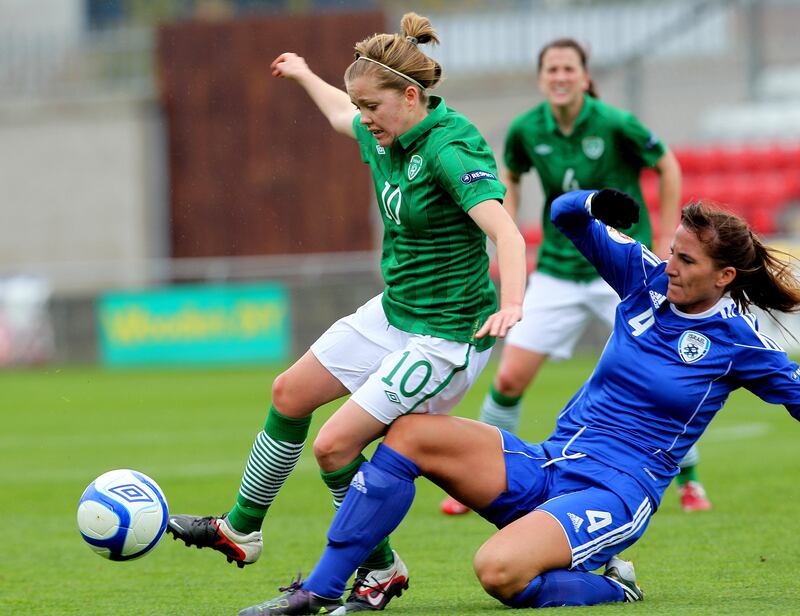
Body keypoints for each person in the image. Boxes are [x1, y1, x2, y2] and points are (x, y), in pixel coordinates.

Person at [237, 188, 800, 614]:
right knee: (406, 431)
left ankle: (611, 582)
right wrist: (593, 200)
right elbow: (565, 216)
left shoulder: (741, 344)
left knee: (498, 572)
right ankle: (319, 591)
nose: (671, 266)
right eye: (673, 252)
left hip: (615, 492)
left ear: (725, 276)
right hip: (548, 462)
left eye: (687, 262)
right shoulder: (644, 279)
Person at [166, 11, 526, 613]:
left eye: (372, 107)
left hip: (444, 338)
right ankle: (242, 528)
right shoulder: (382, 126)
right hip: (394, 314)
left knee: (334, 448)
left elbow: (506, 234)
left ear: (410, 97)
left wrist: (513, 301)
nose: (362, 118)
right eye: (360, 105)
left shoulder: (449, 145)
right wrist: (306, 73)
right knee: (289, 393)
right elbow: (339, 112)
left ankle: (381, 572)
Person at [442, 37, 709, 516]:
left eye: (569, 69)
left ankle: (690, 482)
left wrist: (671, 233)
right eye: (552, 70)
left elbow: (666, 163)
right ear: (541, 78)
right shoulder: (526, 129)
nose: (560, 77)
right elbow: (513, 180)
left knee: (662, 378)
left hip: (626, 275)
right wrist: (508, 232)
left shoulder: (614, 123)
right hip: (559, 272)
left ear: (584, 77)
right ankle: (474, 481)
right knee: (508, 379)